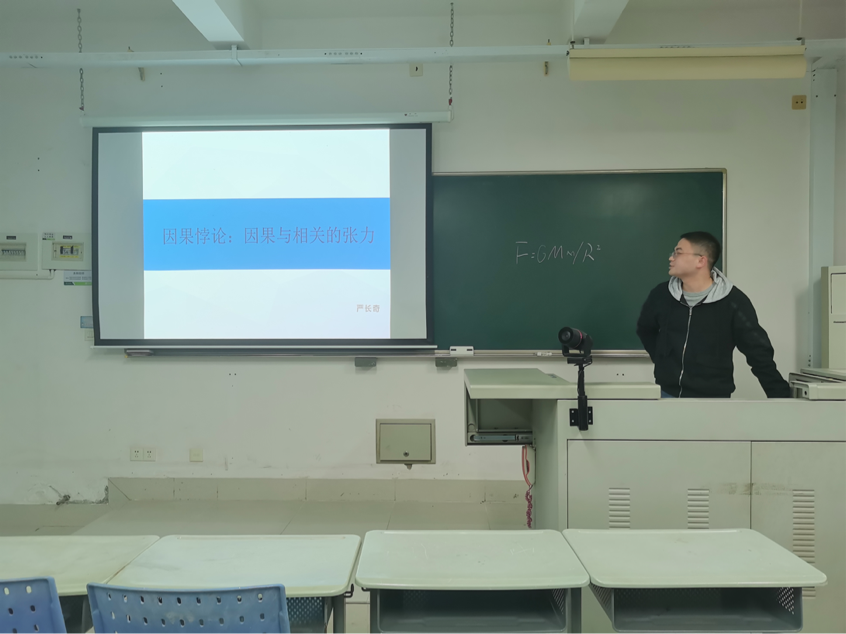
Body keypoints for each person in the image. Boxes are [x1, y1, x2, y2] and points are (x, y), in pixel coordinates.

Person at [636, 231, 790, 398]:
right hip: (667, 394)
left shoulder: (733, 301)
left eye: (678, 253)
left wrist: (781, 397)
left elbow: (757, 351)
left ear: (701, 261)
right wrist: (662, 360)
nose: (671, 258)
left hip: (713, 400)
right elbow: (645, 329)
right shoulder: (661, 294)